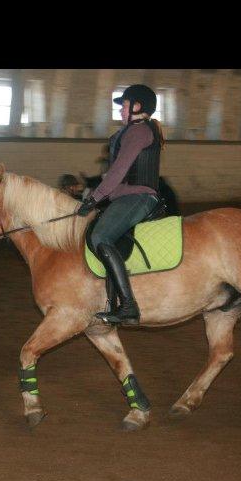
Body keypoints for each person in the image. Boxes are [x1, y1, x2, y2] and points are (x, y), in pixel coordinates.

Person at [77, 83, 163, 325]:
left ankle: (128, 306)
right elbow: (114, 176)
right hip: (125, 196)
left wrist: (94, 198)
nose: (120, 111)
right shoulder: (135, 131)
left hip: (139, 197)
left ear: (137, 107)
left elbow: (118, 172)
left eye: (124, 106)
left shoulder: (139, 131)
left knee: (101, 236)